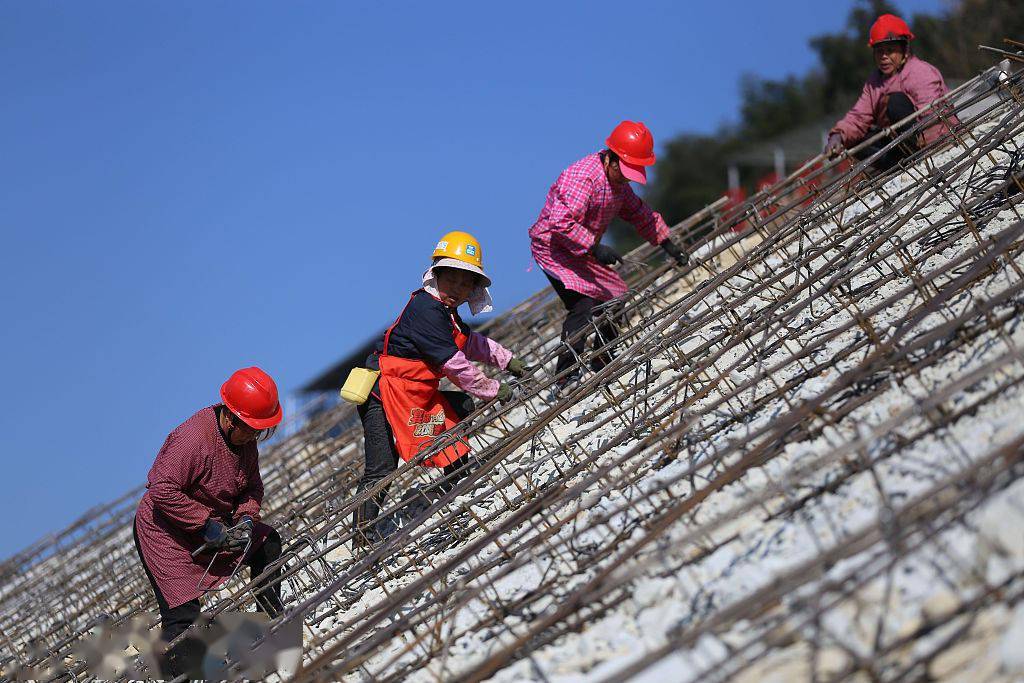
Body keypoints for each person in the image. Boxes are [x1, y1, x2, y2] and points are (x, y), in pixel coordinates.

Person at [352, 231, 527, 544]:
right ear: (437, 275)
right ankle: (362, 538)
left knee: (455, 415)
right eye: (453, 281)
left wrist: (507, 360)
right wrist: (493, 388)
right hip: (384, 394)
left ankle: (456, 484)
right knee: (382, 468)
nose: (458, 290)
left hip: (416, 394)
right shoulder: (426, 311)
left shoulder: (448, 315)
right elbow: (455, 365)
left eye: (465, 284)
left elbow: (470, 343)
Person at [133, 367, 285, 679]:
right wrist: (204, 524)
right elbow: (162, 489)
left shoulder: (244, 440)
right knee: (183, 616)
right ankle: (174, 674)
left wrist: (245, 517)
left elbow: (251, 487)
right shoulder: (193, 438)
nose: (254, 436)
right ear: (230, 417)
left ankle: (271, 621)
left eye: (259, 431)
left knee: (267, 543)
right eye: (251, 429)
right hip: (165, 531)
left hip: (215, 525)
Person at [529, 120, 687, 395]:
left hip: (581, 249)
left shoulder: (619, 185)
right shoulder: (582, 177)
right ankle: (567, 375)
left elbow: (639, 213)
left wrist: (666, 241)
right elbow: (561, 223)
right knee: (583, 305)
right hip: (553, 248)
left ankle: (602, 357)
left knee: (616, 296)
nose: (626, 179)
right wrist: (595, 247)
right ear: (611, 158)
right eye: (624, 172)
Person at [825, 14, 953, 171]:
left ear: (904, 50)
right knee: (855, 141)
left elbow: (932, 116)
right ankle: (896, 166)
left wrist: (933, 149)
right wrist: (838, 136)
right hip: (899, 146)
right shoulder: (875, 82)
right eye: (879, 52)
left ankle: (916, 158)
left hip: (928, 143)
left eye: (890, 51)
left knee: (895, 102)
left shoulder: (920, 72)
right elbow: (858, 117)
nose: (884, 57)